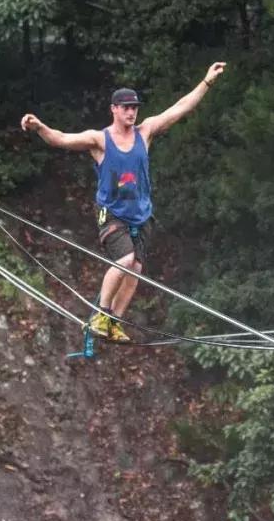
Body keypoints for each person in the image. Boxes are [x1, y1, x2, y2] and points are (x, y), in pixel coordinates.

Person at [20, 62, 226, 343]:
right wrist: (40, 126)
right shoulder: (99, 140)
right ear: (114, 109)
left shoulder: (146, 132)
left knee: (136, 270)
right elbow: (61, 140)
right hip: (111, 212)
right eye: (125, 107)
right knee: (125, 259)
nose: (131, 112)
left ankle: (113, 322)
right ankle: (100, 314)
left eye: (134, 107)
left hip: (140, 215)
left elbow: (180, 108)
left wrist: (207, 82)